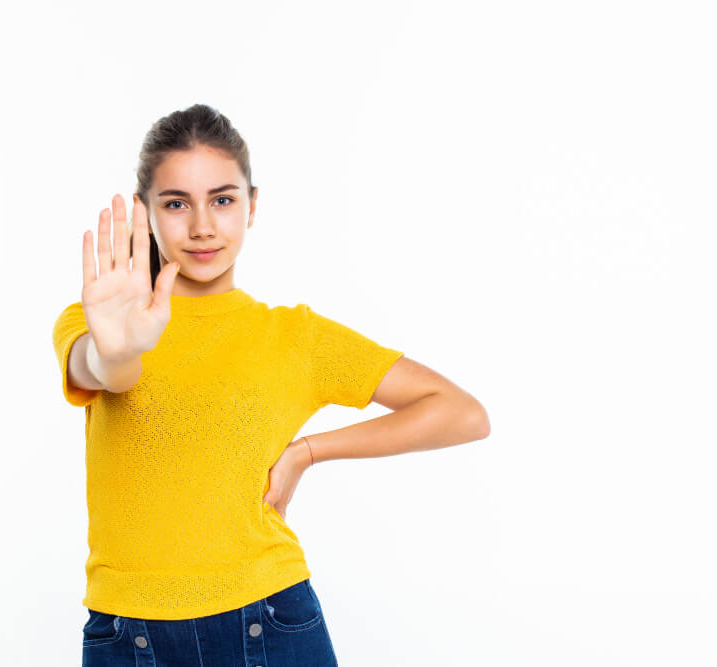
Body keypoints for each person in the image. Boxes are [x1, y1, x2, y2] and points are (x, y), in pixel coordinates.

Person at [52, 103, 491, 666]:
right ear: (145, 213)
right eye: (177, 203)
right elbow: (108, 372)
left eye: (223, 199)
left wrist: (307, 452)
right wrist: (117, 348)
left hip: (268, 621)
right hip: (128, 635)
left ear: (252, 206)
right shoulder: (98, 322)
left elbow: (461, 412)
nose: (203, 225)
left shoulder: (293, 336)